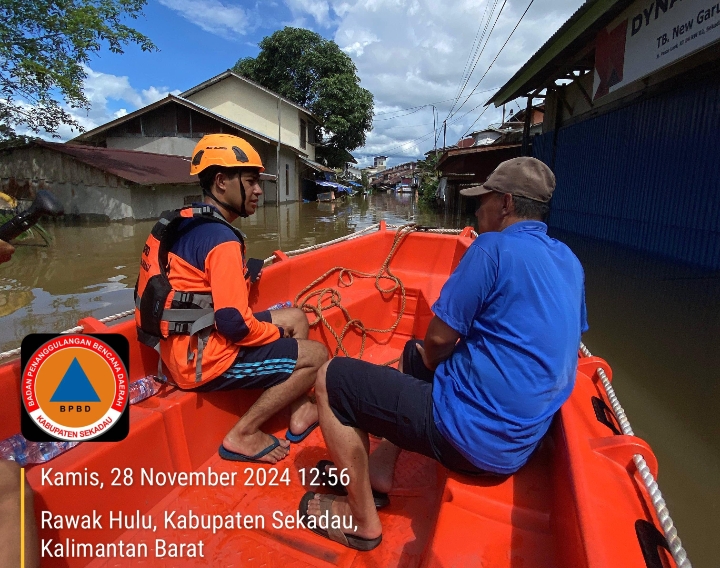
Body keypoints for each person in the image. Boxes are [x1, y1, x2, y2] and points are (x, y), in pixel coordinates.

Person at [301, 157, 588, 550]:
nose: (476, 209)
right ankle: (381, 468)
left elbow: (438, 340)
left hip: (470, 438)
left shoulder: (492, 247)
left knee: (332, 379)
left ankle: (361, 520)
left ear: (505, 203)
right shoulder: (569, 260)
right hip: (519, 444)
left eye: (482, 200)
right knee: (412, 353)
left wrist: (436, 363)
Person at [136, 134, 327, 464]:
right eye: (251, 181)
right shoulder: (221, 239)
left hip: (185, 347)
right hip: (203, 362)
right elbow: (235, 325)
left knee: (295, 317)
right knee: (317, 355)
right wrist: (274, 334)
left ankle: (299, 409)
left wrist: (275, 327)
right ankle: (244, 434)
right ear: (222, 181)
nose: (258, 191)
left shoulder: (188, 222)